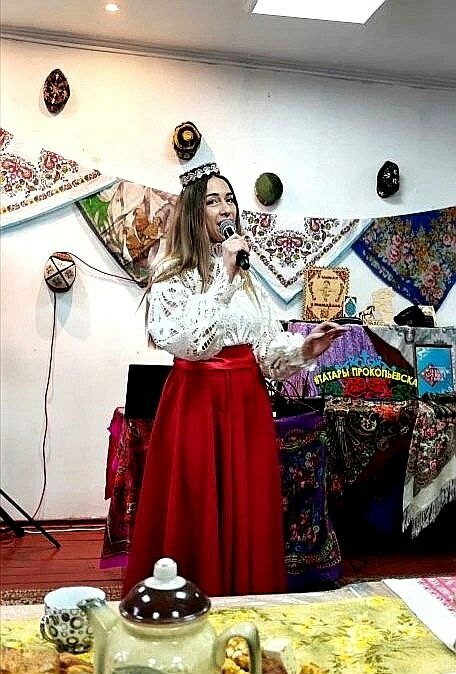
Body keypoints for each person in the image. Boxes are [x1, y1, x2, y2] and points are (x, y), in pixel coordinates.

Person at [122, 164, 346, 597]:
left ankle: (246, 601)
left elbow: (263, 350)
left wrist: (304, 349)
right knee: (196, 506)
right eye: (213, 201)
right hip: (196, 403)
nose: (226, 209)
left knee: (248, 506)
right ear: (194, 213)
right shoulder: (171, 273)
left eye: (229, 200)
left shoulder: (246, 277)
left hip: (246, 404)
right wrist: (223, 279)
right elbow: (191, 342)